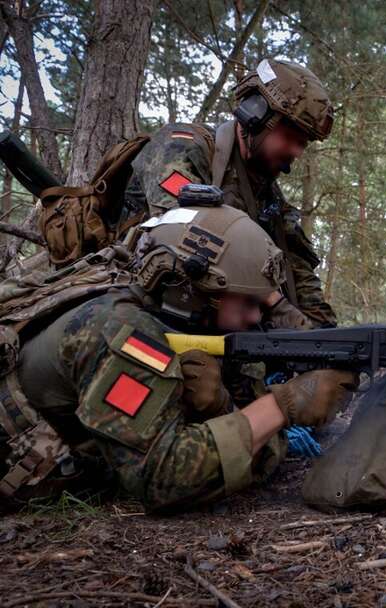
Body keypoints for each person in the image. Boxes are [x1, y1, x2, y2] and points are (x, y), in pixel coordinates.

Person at [0, 204, 356, 510]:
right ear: (192, 292)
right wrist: (283, 407)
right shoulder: (122, 332)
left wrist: (222, 407)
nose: (254, 318)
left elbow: (262, 449)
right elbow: (161, 478)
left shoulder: (184, 320)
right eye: (246, 302)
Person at [122, 58, 337, 330]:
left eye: (302, 143)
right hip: (141, 311)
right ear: (255, 115)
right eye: (289, 136)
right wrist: (276, 306)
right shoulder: (182, 147)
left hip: (218, 324)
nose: (296, 151)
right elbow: (179, 239)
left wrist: (323, 333)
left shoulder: (268, 197)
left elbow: (297, 269)